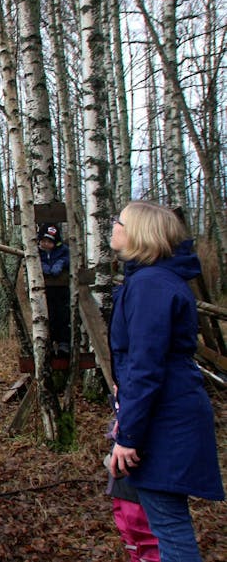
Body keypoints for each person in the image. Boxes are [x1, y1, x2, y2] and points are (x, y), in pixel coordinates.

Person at [107, 201, 224, 561]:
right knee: (166, 522)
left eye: (119, 220)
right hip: (167, 410)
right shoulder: (151, 280)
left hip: (166, 418)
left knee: (169, 528)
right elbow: (145, 358)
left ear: (137, 234)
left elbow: (147, 366)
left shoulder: (151, 285)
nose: (113, 225)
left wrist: (128, 437)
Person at [105, 388, 159, 562]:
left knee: (146, 535)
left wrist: (126, 439)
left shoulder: (143, 389)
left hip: (141, 478)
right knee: (130, 533)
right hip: (123, 482)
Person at [37, 222, 71, 356]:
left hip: (62, 290)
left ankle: (63, 344)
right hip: (44, 291)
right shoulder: (38, 252)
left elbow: (68, 259)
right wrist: (42, 264)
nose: (46, 244)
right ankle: (48, 344)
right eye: (43, 241)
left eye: (49, 242)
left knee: (63, 316)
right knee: (47, 316)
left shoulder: (63, 250)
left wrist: (61, 263)